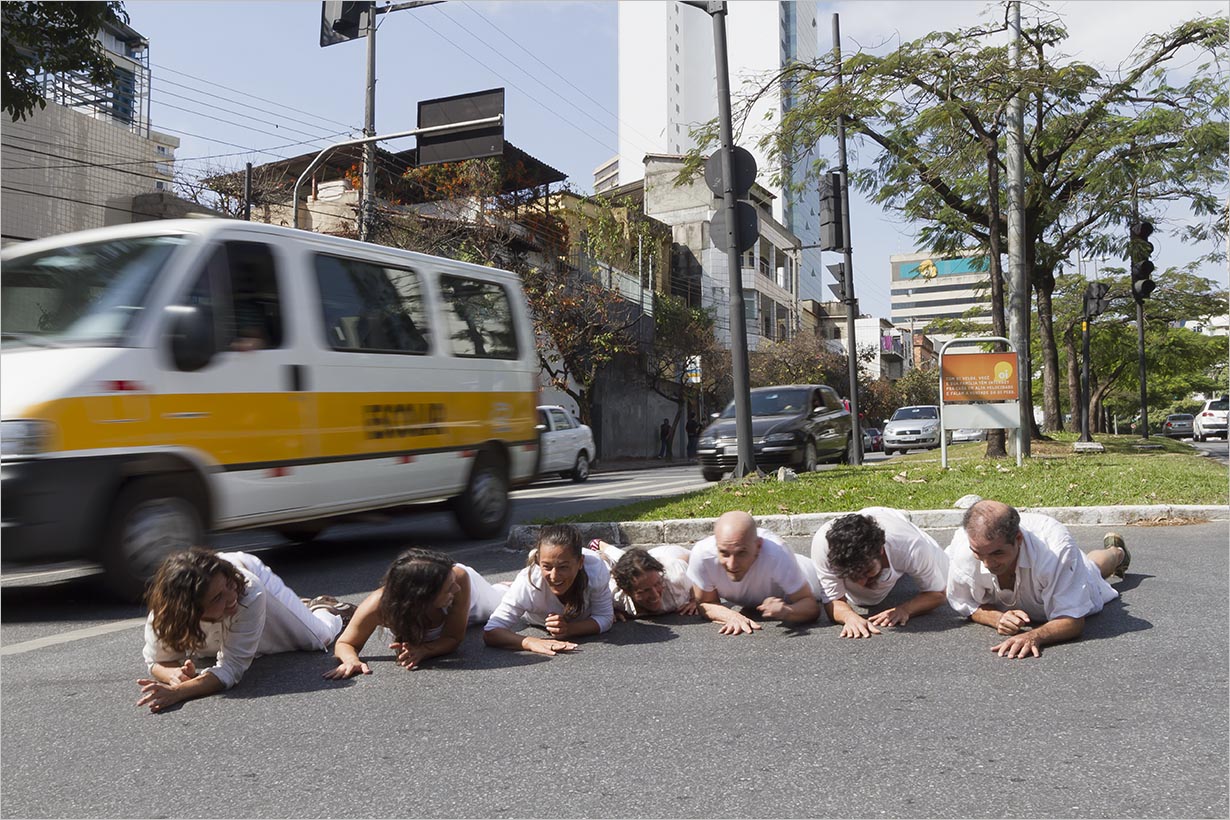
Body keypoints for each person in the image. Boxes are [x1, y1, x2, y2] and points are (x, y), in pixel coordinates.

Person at [138, 548, 355, 713]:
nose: (231, 597)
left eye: (228, 586)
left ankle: (322, 608)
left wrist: (179, 692)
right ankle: (292, 608)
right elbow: (157, 661)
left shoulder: (246, 589)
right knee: (250, 640)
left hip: (251, 577)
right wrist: (174, 675)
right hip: (216, 594)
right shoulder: (167, 615)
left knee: (320, 637)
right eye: (217, 598)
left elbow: (231, 668)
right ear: (190, 610)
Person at [945, 499, 1130, 658]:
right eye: (979, 553)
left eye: (997, 553)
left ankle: (1117, 552)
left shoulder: (1056, 552)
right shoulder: (963, 549)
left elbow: (1073, 620)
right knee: (1088, 566)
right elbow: (965, 603)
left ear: (1018, 538)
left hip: (1062, 568)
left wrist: (1034, 636)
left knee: (1092, 569)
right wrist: (997, 618)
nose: (987, 564)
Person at [324, 548, 507, 679]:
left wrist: (425, 650)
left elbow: (452, 638)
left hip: (476, 598)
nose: (456, 589)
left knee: (502, 601)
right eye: (448, 588)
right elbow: (346, 642)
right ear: (423, 597)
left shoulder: (458, 580)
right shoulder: (378, 605)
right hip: (436, 585)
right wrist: (350, 660)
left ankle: (507, 586)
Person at [810, 507, 950, 638]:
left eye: (867, 572)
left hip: (898, 529)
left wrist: (905, 609)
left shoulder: (912, 546)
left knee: (950, 582)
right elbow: (833, 600)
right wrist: (849, 617)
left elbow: (938, 594)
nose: (861, 583)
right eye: (853, 576)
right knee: (865, 601)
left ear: (880, 550)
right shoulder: (824, 547)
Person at [483, 524, 615, 656]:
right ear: (538, 562)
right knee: (492, 600)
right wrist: (530, 642)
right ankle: (507, 586)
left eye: (563, 567)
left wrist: (569, 629)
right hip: (526, 604)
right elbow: (491, 631)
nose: (554, 576)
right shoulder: (527, 584)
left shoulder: (595, 570)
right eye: (547, 567)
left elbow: (604, 617)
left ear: (580, 563)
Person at [687, 510, 820, 635]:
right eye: (724, 553)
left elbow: (810, 606)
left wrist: (787, 611)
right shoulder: (703, 555)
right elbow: (705, 603)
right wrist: (731, 616)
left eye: (741, 553)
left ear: (758, 546)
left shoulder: (778, 554)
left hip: (809, 576)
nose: (732, 565)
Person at [589, 539, 699, 618]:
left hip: (668, 554)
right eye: (645, 590)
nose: (655, 595)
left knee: (629, 560)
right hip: (643, 567)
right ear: (627, 591)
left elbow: (692, 561)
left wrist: (696, 599)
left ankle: (601, 544)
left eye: (657, 584)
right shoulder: (613, 595)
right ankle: (601, 548)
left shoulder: (676, 576)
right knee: (620, 563)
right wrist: (611, 611)